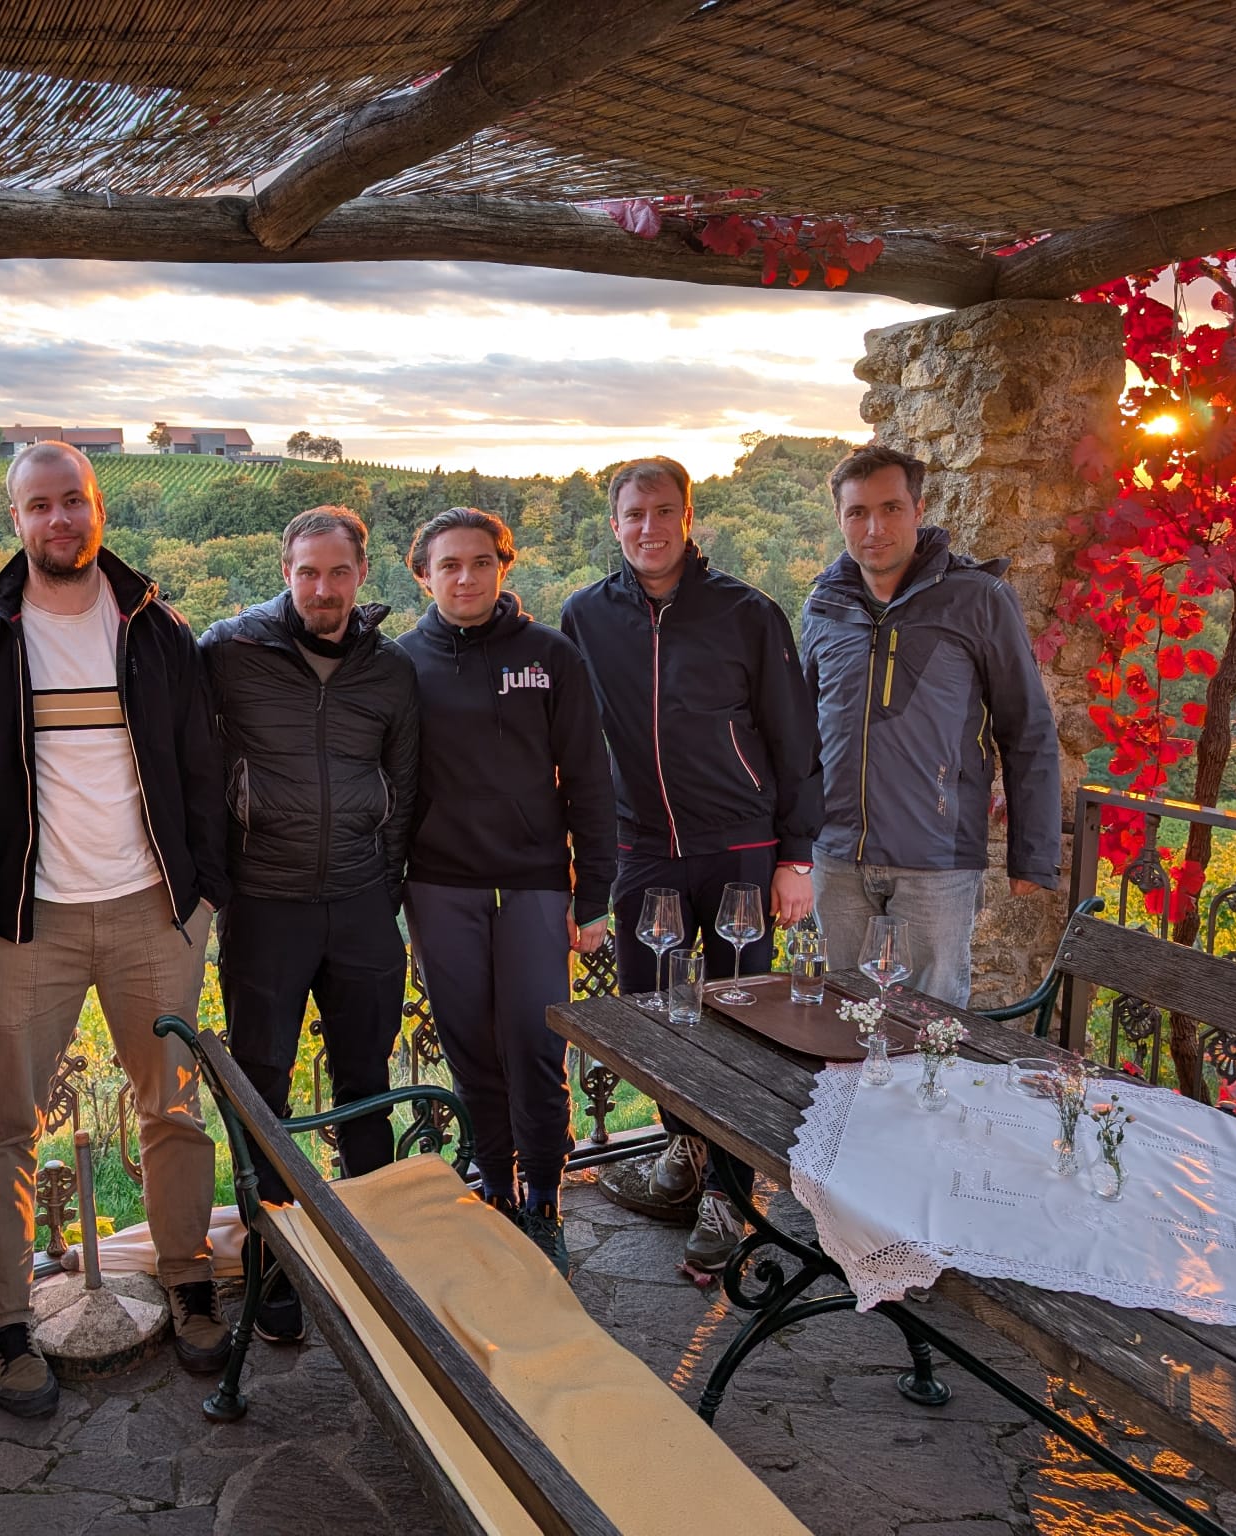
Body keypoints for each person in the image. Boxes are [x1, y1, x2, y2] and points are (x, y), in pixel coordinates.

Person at [0, 441, 230, 1417]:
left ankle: (189, 1281)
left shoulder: (152, 626)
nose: (60, 520)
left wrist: (203, 897)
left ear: (98, 507)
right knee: (7, 1128)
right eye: (39, 506)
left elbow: (201, 765)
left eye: (75, 501)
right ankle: (4, 1321)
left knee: (173, 1109)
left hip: (154, 913)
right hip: (26, 923)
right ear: (14, 520)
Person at [560, 457, 822, 1274]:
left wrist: (797, 858)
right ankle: (682, 1161)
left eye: (664, 511)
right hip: (643, 852)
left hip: (742, 848)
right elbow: (566, 741)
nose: (649, 527)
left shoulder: (748, 613)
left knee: (740, 1020)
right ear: (615, 524)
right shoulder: (585, 618)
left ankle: (729, 1195)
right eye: (634, 513)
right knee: (660, 1018)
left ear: (688, 516)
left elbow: (792, 737)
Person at [200, 506, 419, 1343]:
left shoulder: (391, 671)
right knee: (264, 1093)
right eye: (306, 573)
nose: (322, 589)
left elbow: (405, 784)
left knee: (368, 1082)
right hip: (265, 907)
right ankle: (275, 1259)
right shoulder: (230, 651)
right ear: (284, 570)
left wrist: (382, 884)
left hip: (363, 906)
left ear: (362, 576)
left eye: (337, 573)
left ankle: (370, 1252)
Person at [395, 507, 616, 1275]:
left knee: (536, 1045)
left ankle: (545, 1201)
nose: (465, 577)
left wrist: (594, 896)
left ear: (503, 568)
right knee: (471, 1050)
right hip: (439, 886)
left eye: (480, 562)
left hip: (533, 885)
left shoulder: (550, 656)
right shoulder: (401, 664)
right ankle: (495, 1186)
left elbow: (590, 778)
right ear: (422, 574)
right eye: (448, 564)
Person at [801, 444, 1061, 1005]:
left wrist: (1033, 854)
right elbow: (800, 732)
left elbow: (1028, 729)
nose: (875, 527)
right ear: (840, 519)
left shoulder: (979, 599)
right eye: (858, 512)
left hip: (936, 861)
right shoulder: (824, 603)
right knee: (845, 1020)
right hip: (836, 856)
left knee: (928, 1027)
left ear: (919, 510)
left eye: (891, 508)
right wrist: (796, 843)